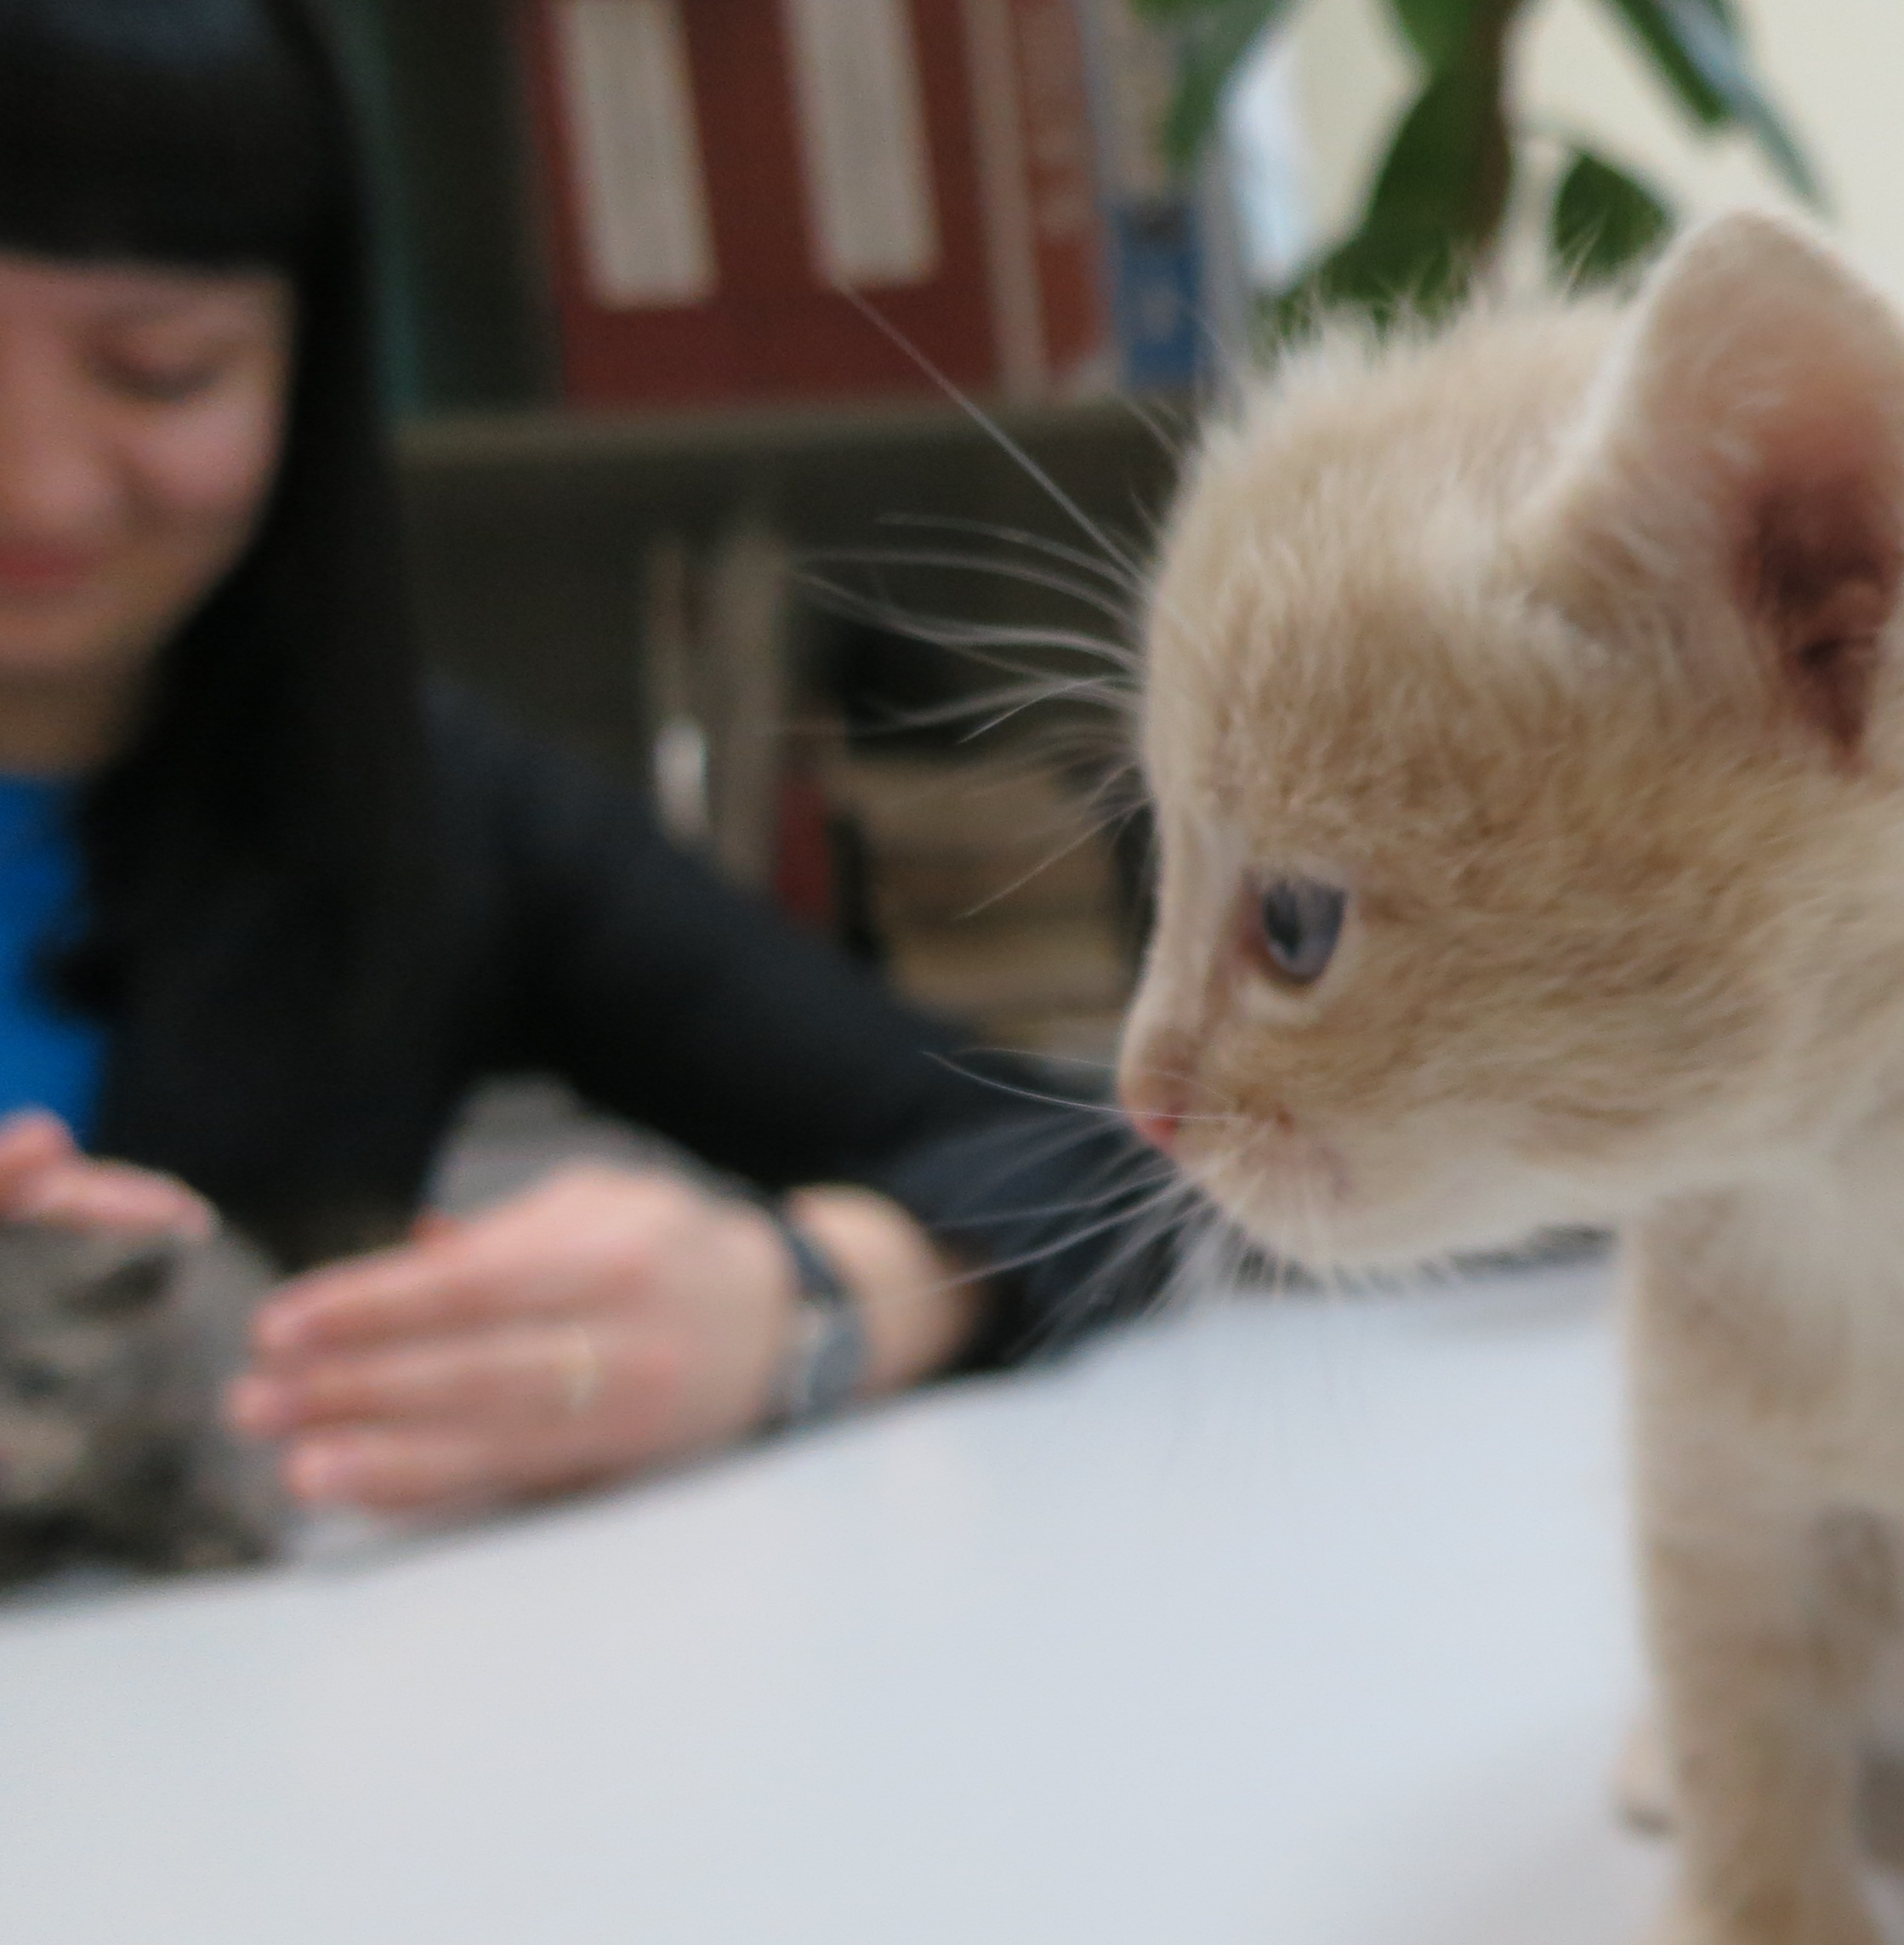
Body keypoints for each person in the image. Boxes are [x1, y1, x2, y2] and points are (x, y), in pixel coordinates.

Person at [0, 0, 1186, 1522]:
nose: (39, 487)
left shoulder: (421, 806)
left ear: (307, 369)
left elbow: (1076, 1161)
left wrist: (803, 1299)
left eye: (162, 372)